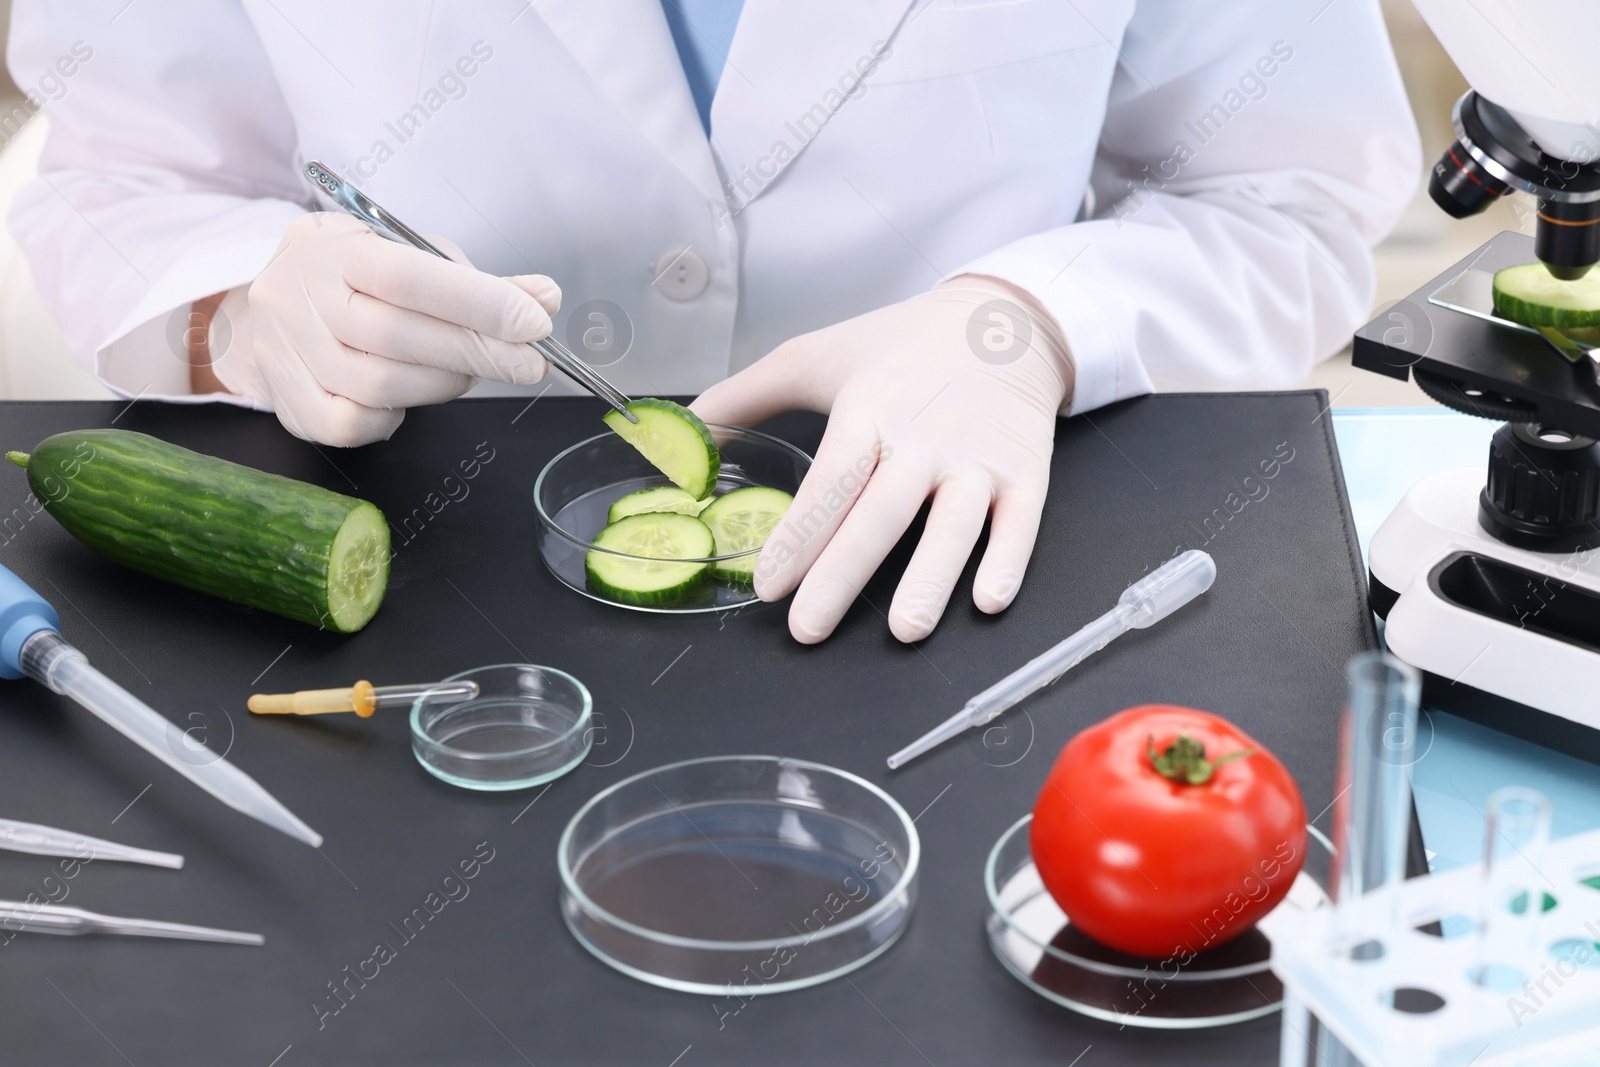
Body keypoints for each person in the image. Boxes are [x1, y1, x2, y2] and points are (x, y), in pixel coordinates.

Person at [6, 0, 1420, 644]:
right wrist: (241, 311)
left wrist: (1028, 323)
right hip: (442, 592)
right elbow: (122, 180)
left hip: (976, 561)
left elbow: (1283, 195)